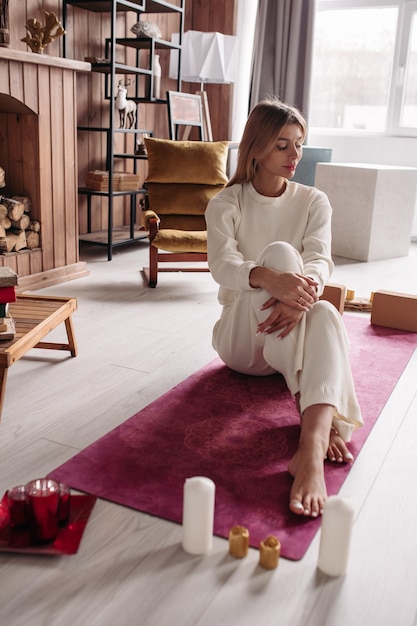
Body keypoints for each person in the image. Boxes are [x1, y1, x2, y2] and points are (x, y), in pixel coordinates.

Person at [205, 98, 363, 518]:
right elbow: (222, 267)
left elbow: (319, 260)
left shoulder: (313, 201)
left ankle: (309, 447)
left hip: (287, 328)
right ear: (256, 147)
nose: (296, 155)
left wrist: (301, 299)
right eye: (283, 145)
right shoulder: (227, 202)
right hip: (241, 342)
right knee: (279, 254)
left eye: (299, 144)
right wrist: (269, 278)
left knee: (327, 313)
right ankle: (313, 407)